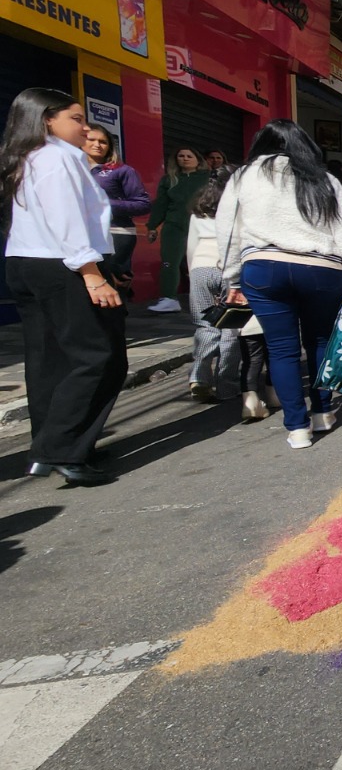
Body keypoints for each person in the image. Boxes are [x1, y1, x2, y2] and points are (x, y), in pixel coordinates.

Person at [1, 88, 126, 485]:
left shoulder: (27, 157)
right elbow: (65, 218)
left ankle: (52, 447)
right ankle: (62, 450)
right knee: (100, 356)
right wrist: (91, 272)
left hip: (27, 261)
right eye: (75, 118)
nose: (85, 127)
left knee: (48, 359)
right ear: (46, 119)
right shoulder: (57, 158)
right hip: (64, 264)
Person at [218, 120, 342, 449]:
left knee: (281, 349)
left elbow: (227, 229)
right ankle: (323, 413)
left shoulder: (243, 176)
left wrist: (230, 276)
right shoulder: (323, 178)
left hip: (263, 269)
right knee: (320, 342)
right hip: (321, 270)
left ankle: (297, 428)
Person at [185, 169, 241, 402]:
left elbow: (190, 246)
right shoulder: (238, 208)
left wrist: (192, 274)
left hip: (200, 267)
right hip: (230, 270)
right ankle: (227, 385)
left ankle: (199, 376)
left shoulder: (198, 213)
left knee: (205, 325)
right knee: (231, 329)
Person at [83, 124, 149, 294]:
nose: (97, 144)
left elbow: (143, 204)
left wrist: (105, 204)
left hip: (117, 233)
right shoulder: (71, 169)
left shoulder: (122, 171)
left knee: (113, 283)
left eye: (103, 141)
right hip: (81, 234)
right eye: (92, 139)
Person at [146, 145, 207, 312]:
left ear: (198, 160)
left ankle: (206, 298)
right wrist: (152, 226)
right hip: (173, 225)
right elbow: (161, 204)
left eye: (189, 155)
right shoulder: (169, 179)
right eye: (181, 156)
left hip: (201, 225)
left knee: (201, 262)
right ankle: (169, 299)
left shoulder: (208, 177)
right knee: (169, 262)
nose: (185, 158)